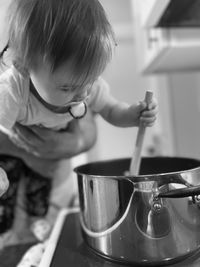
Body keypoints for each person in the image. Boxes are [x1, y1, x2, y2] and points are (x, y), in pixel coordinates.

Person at [0, 0, 157, 237]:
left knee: (46, 201)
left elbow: (111, 110)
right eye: (67, 88)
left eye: (91, 80)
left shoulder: (83, 83)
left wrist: (133, 115)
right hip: (13, 153)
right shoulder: (12, 91)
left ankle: (40, 223)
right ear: (23, 67)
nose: (83, 94)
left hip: (51, 163)